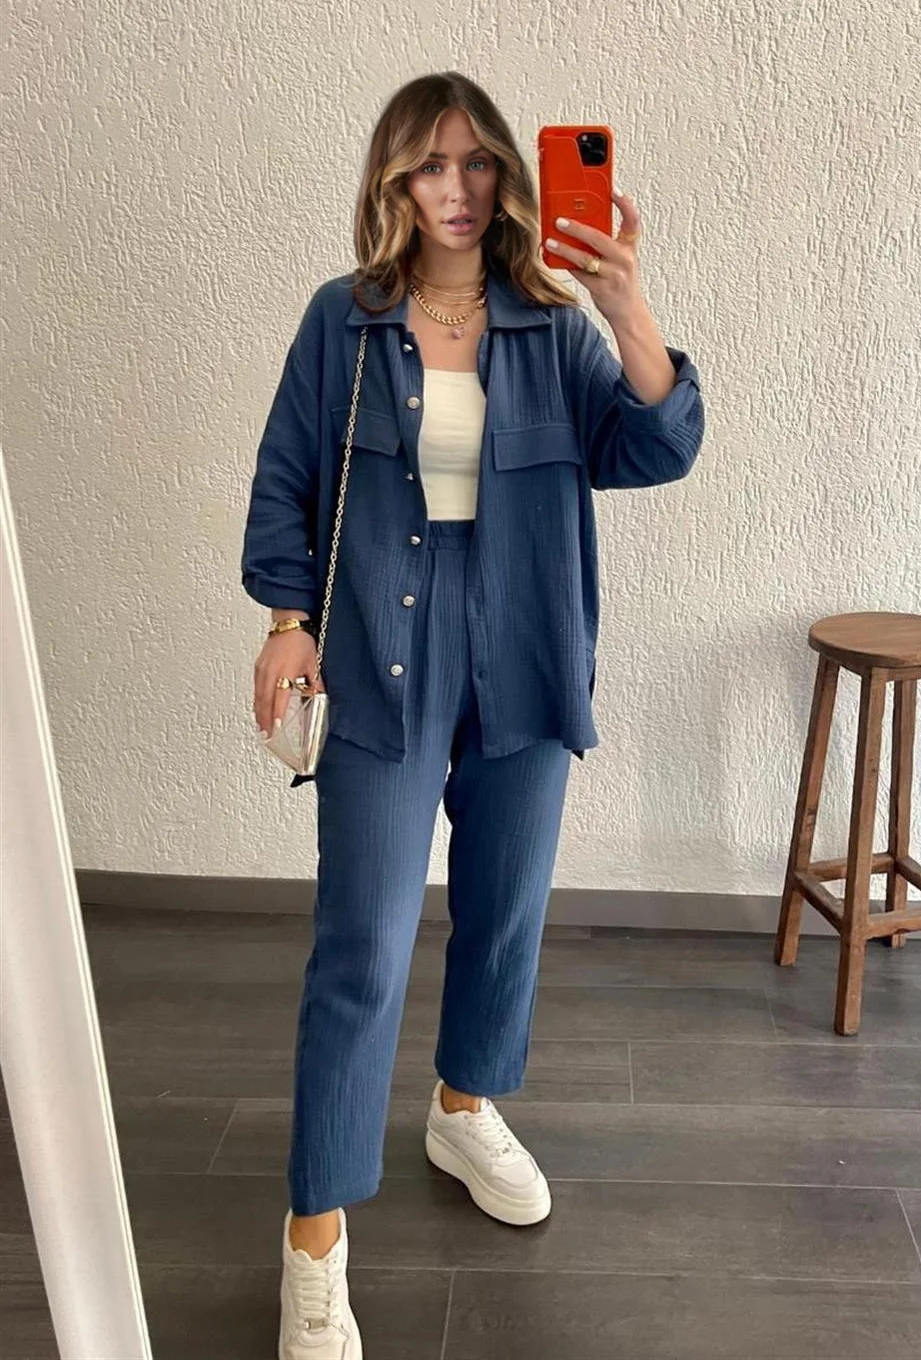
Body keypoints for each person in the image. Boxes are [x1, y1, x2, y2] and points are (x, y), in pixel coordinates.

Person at [241, 70, 705, 1360]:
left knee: (504, 914)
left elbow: (659, 447)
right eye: (429, 164)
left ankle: (462, 1108)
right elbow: (286, 479)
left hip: (527, 653)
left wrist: (626, 305)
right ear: (395, 181)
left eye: (477, 162)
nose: (456, 188)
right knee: (364, 946)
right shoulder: (343, 322)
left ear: (508, 173)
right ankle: (314, 1239)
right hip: (381, 653)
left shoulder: (552, 328)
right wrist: (285, 623)